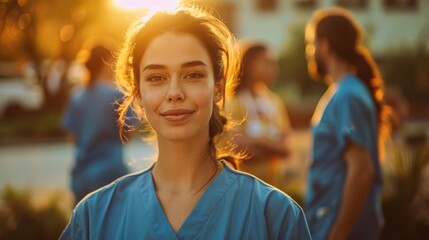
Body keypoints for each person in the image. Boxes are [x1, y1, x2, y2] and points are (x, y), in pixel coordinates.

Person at [60, 7, 311, 239]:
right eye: (156, 77)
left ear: (218, 88)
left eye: (193, 75)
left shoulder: (275, 216)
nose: (174, 92)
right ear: (137, 93)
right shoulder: (94, 218)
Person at [304, 7, 392, 240]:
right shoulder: (342, 92)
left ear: (325, 45)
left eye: (311, 44)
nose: (310, 52)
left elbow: (362, 171)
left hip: (340, 230)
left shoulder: (348, 96)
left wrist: (338, 233)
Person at [62, 44, 133, 204]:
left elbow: (71, 136)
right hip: (112, 175)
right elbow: (128, 134)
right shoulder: (117, 95)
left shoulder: (77, 96)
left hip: (82, 176)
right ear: (107, 62)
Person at [226, 41, 292, 190]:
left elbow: (286, 149)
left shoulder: (275, 102)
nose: (274, 68)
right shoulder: (232, 103)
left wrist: (255, 140)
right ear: (248, 64)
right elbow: (237, 147)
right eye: (267, 62)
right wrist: (271, 144)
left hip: (274, 189)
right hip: (242, 189)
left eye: (274, 63)